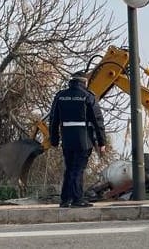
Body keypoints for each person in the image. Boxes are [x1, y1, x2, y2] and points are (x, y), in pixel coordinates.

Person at [49, 71, 107, 208]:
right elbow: (97, 121)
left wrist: (54, 140)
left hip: (67, 138)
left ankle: (65, 199)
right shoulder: (88, 96)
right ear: (84, 82)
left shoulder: (60, 96)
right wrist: (102, 142)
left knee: (69, 168)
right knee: (78, 169)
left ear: (72, 81)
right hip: (84, 138)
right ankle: (77, 199)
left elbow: (53, 120)